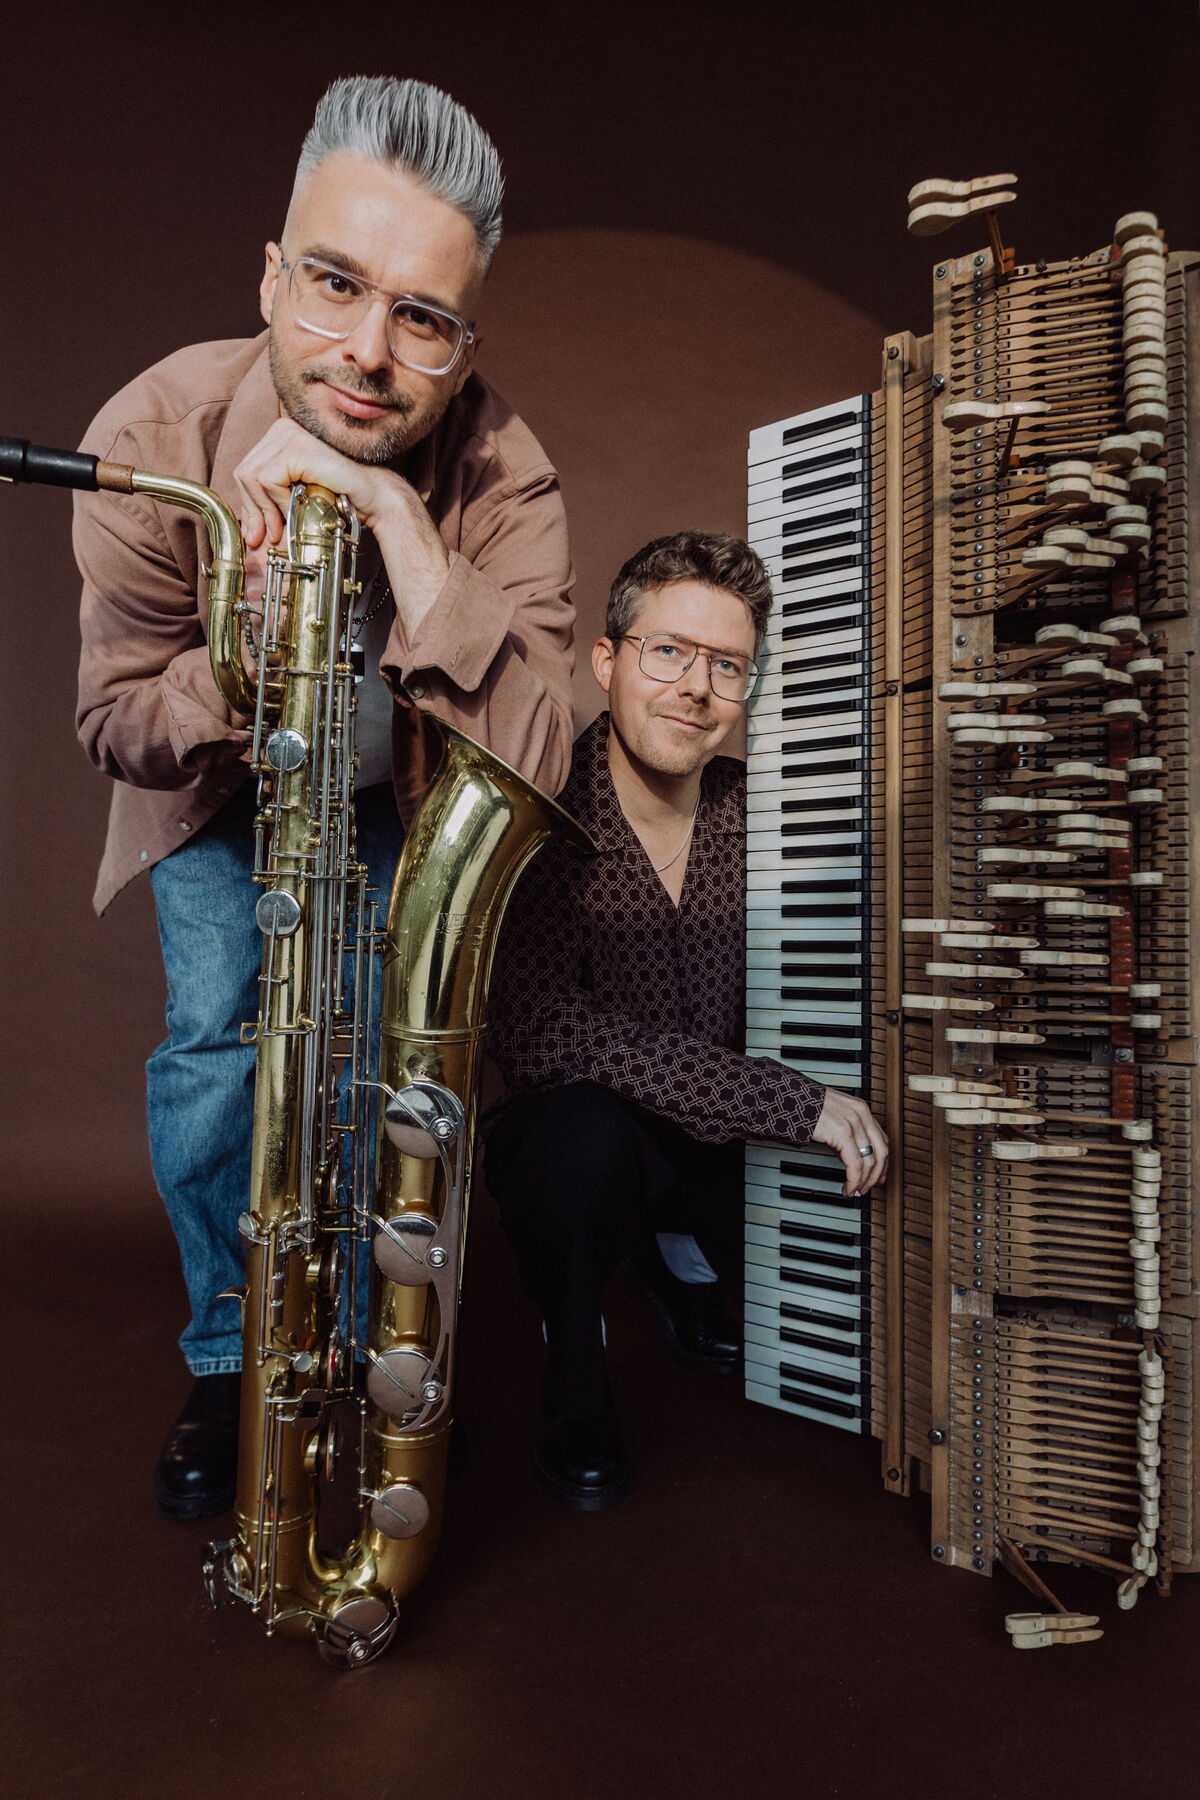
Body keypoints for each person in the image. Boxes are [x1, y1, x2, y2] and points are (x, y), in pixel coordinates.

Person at [73, 76, 576, 1520]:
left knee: (376, 1075)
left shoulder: (501, 470)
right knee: (225, 1050)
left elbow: (539, 751)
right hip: (227, 798)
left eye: (421, 317)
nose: (368, 352)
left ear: (465, 338)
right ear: (271, 275)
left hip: (402, 804)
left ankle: (361, 1352)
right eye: (334, 287)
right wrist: (237, 656)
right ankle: (235, 1357)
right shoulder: (154, 436)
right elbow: (114, 722)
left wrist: (404, 531)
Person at [484, 530, 888, 1510]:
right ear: (609, 661)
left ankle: (678, 1265)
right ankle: (575, 1380)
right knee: (575, 1144)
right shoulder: (544, 815)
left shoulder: (763, 813)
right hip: (598, 1148)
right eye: (668, 651)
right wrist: (789, 1100)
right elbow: (541, 1032)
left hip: (723, 1149)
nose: (696, 688)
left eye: (727, 665)